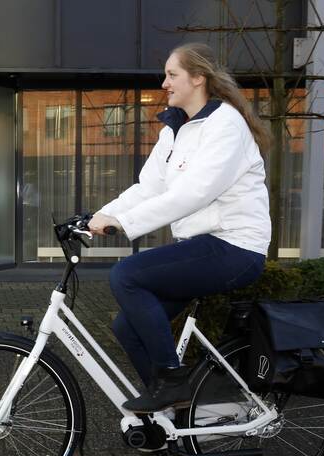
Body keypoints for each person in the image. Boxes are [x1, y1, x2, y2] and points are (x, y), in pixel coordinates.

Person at [88, 43, 271, 413]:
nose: (164, 83)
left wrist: (123, 223)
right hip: (203, 245)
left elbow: (195, 192)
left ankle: (173, 382)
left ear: (198, 78)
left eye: (172, 74)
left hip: (235, 247)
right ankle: (177, 414)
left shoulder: (226, 125)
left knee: (126, 275)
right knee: (127, 327)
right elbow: (149, 187)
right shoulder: (176, 129)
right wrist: (98, 216)